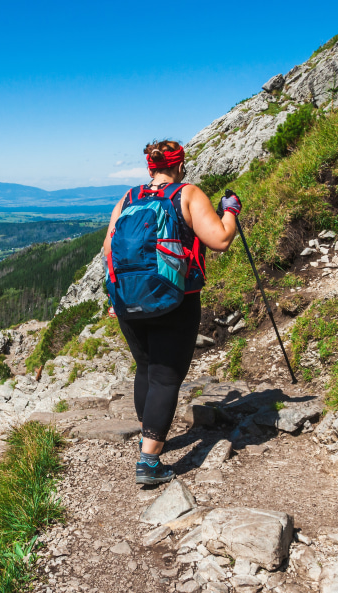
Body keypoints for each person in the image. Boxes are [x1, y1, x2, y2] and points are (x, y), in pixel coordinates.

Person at [103, 140, 241, 485]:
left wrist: (114, 296)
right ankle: (149, 463)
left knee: (146, 368)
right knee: (167, 375)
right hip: (175, 298)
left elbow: (109, 249)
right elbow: (221, 240)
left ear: (151, 166)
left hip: (127, 300)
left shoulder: (129, 198)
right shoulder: (188, 194)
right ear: (180, 165)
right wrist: (231, 210)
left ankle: (147, 436)